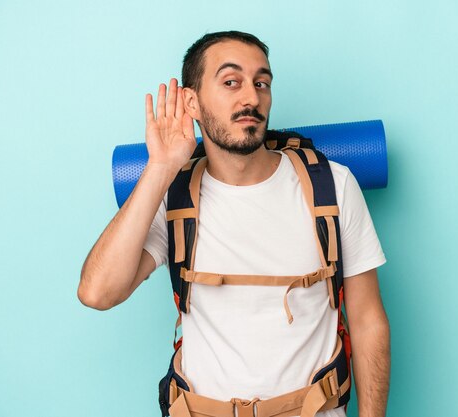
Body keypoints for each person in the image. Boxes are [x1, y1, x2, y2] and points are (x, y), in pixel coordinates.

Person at [78, 31, 390, 417]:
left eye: (262, 83)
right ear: (191, 101)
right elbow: (97, 293)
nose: (251, 98)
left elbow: (367, 319)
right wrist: (160, 167)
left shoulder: (333, 185)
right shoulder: (175, 197)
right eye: (231, 82)